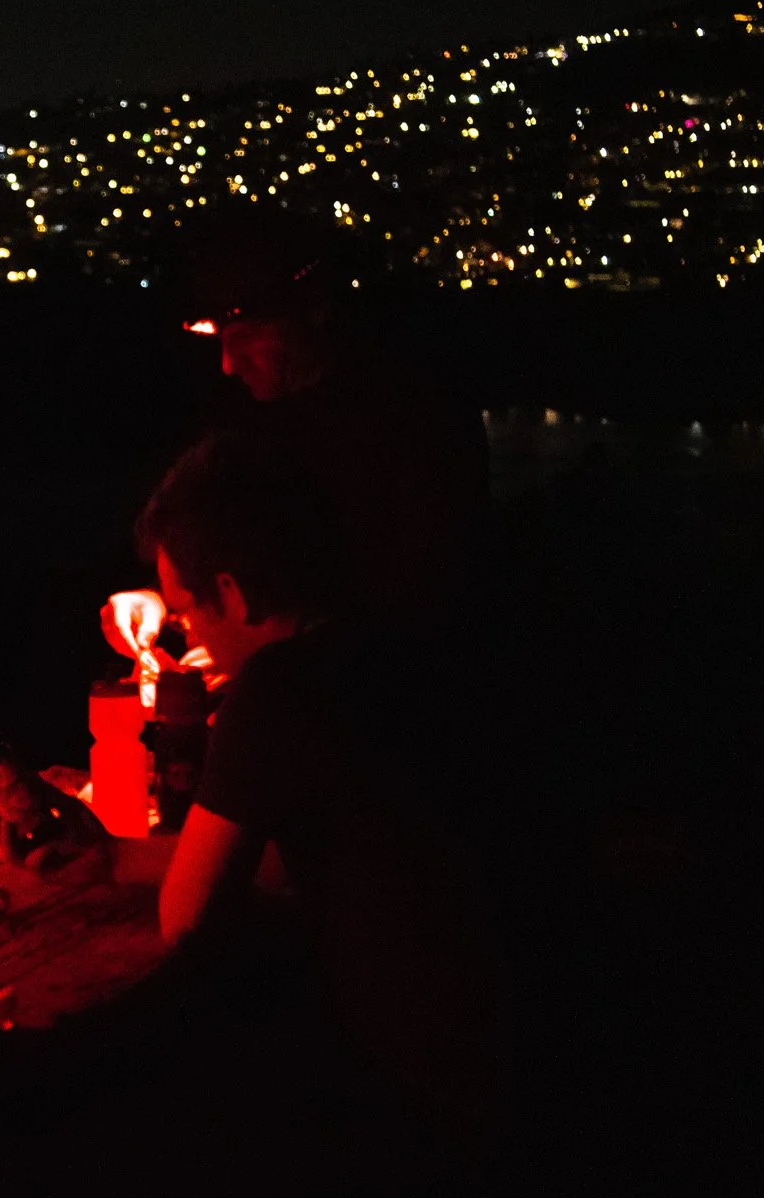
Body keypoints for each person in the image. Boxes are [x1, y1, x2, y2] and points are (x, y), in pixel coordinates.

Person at [137, 432, 508, 1142]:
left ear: (232, 593)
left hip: (425, 1073)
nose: (188, 635)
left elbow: (186, 919)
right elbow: (324, 849)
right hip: (539, 1025)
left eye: (184, 612)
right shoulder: (413, 645)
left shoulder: (278, 686)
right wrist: (114, 857)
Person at [102, 208, 489, 673]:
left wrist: (265, 652)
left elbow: (431, 602)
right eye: (221, 340)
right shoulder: (241, 418)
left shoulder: (418, 420)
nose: (228, 363)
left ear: (314, 313)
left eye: (247, 337)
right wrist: (174, 600)